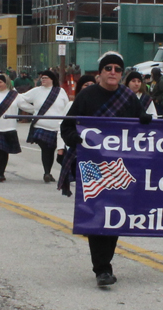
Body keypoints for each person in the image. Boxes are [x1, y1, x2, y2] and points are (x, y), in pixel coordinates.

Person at [60, 51, 151, 287]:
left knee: (114, 217)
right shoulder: (86, 97)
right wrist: (79, 141)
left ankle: (105, 262)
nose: (113, 72)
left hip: (120, 168)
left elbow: (145, 130)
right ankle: (102, 268)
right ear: (100, 72)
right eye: (108, 68)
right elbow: (67, 128)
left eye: (117, 69)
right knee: (97, 215)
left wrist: (146, 124)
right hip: (93, 166)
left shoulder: (129, 97)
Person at [21, 70, 69, 183]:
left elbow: (67, 107)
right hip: (41, 127)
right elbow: (20, 99)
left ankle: (60, 173)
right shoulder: (36, 91)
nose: (43, 79)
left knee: (59, 152)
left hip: (58, 128)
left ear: (52, 79)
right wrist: (33, 110)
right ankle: (47, 172)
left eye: (46, 77)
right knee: (46, 150)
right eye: (42, 77)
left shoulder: (60, 91)